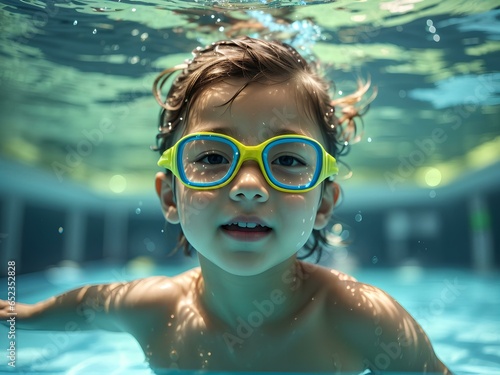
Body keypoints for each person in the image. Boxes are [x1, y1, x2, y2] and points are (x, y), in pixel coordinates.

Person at [1, 37, 452, 374]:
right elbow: (44, 314)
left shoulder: (363, 318)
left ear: (323, 204)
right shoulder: (153, 309)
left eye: (288, 160)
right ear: (167, 196)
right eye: (213, 157)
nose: (250, 187)